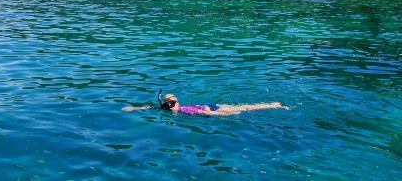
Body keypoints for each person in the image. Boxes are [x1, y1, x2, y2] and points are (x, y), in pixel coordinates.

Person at [122, 92, 289, 116]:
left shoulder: (183, 110)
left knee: (242, 110)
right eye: (168, 104)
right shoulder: (170, 109)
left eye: (172, 103)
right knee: (242, 109)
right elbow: (150, 107)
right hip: (207, 108)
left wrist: (219, 114)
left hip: (210, 109)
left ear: (177, 102)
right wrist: (134, 108)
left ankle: (274, 105)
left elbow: (205, 113)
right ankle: (273, 104)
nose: (170, 106)